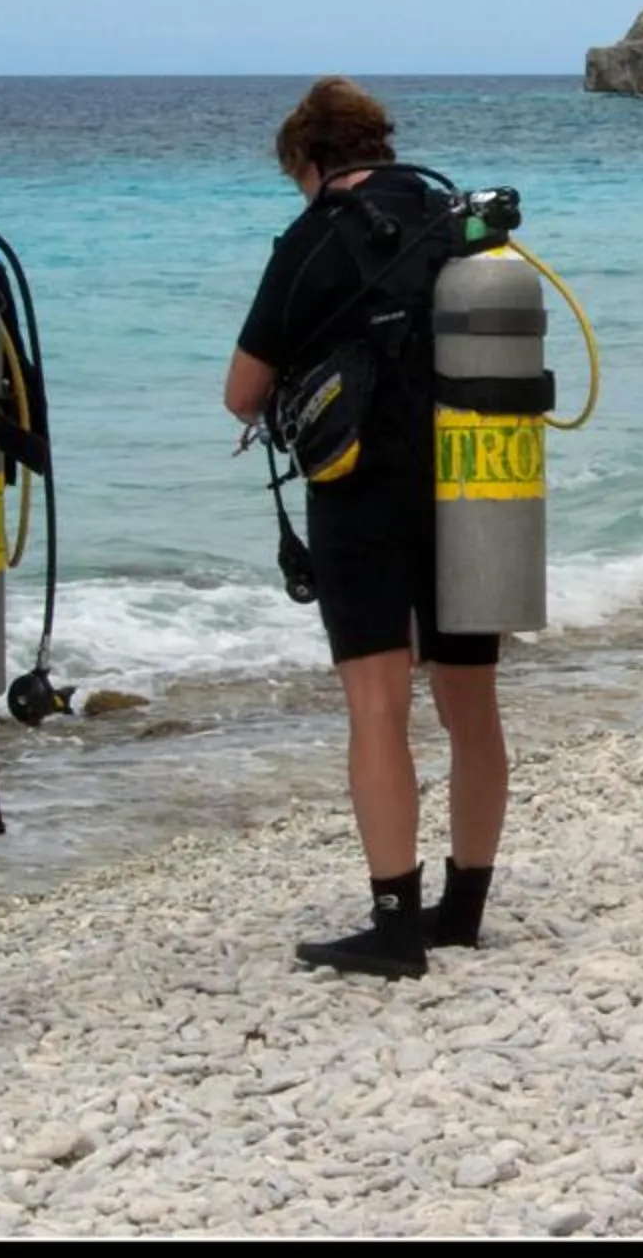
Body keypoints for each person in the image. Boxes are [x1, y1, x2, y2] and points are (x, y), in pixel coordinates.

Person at [224, 77, 506, 981]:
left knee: (378, 704)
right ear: (379, 146)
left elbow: (241, 392)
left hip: (363, 495)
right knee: (471, 701)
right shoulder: (451, 215)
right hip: (478, 480)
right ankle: (463, 909)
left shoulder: (311, 241)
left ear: (309, 163)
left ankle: (393, 921)